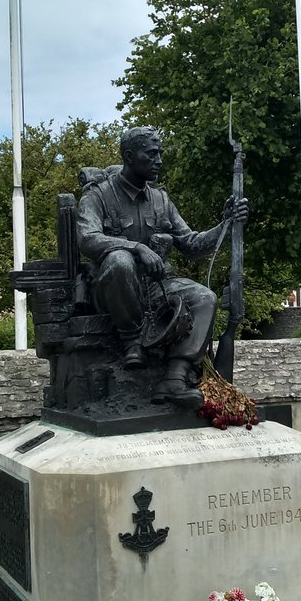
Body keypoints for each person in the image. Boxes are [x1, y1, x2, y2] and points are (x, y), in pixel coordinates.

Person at [75, 126, 248, 408]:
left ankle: (175, 378)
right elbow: (87, 238)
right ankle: (132, 341)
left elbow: (191, 244)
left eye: (160, 154)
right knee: (120, 260)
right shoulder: (98, 196)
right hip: (114, 291)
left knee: (204, 297)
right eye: (151, 154)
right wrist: (136, 247)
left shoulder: (161, 200)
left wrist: (226, 224)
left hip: (156, 287)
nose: (159, 160)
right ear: (129, 156)